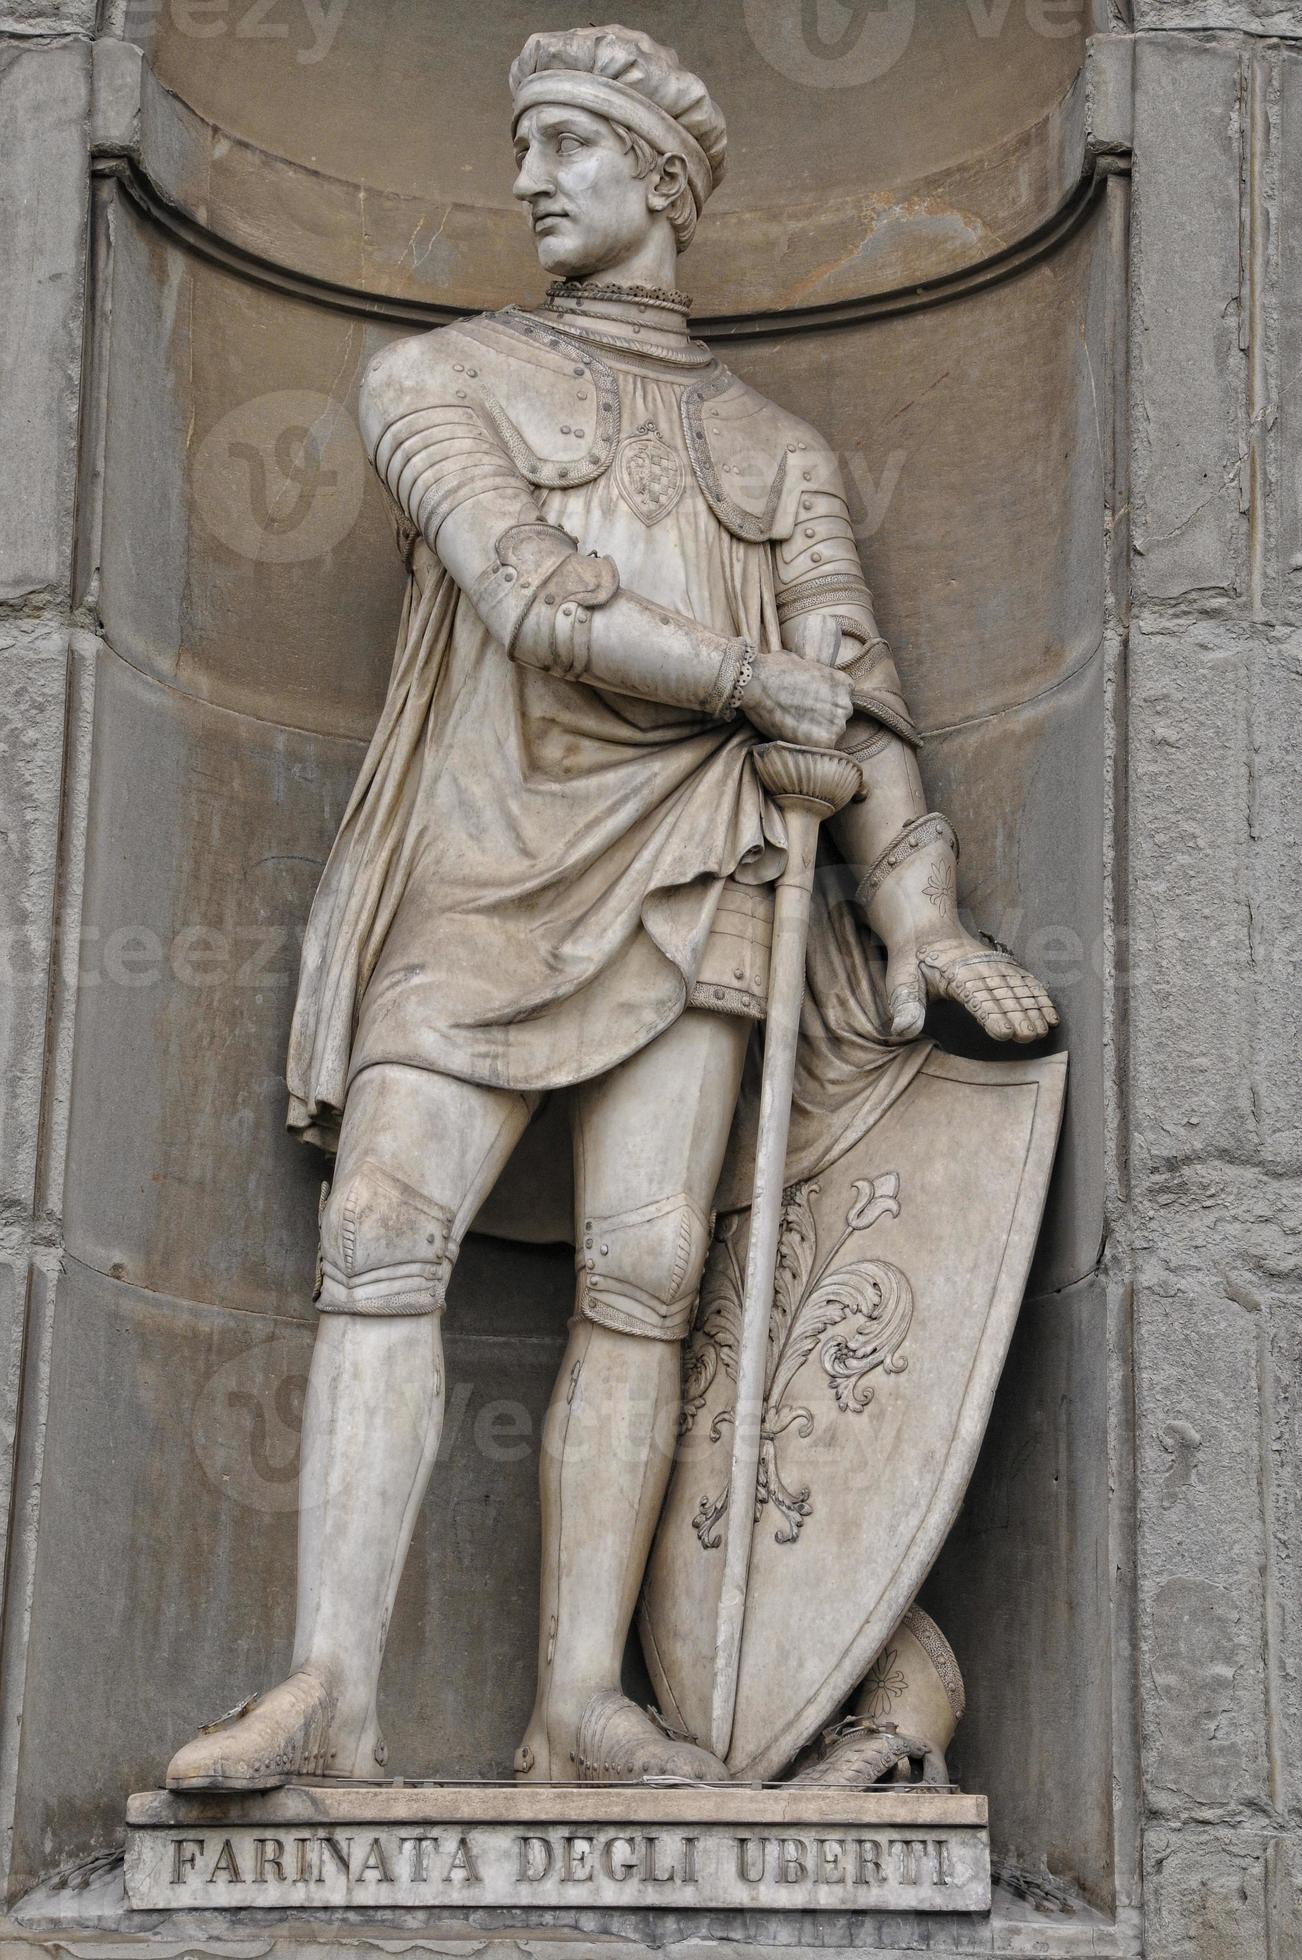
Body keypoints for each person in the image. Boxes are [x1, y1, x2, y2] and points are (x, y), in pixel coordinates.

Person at [166, 24, 1056, 1794]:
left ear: (659, 181)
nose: (527, 179)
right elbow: (533, 597)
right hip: (483, 861)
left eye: (568, 145)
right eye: (526, 144)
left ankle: (578, 1705)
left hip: (709, 869)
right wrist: (756, 685)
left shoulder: (781, 450)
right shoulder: (435, 379)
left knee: (646, 1283)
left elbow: (863, 709)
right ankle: (330, 1685)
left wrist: (916, 917)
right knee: (380, 1243)